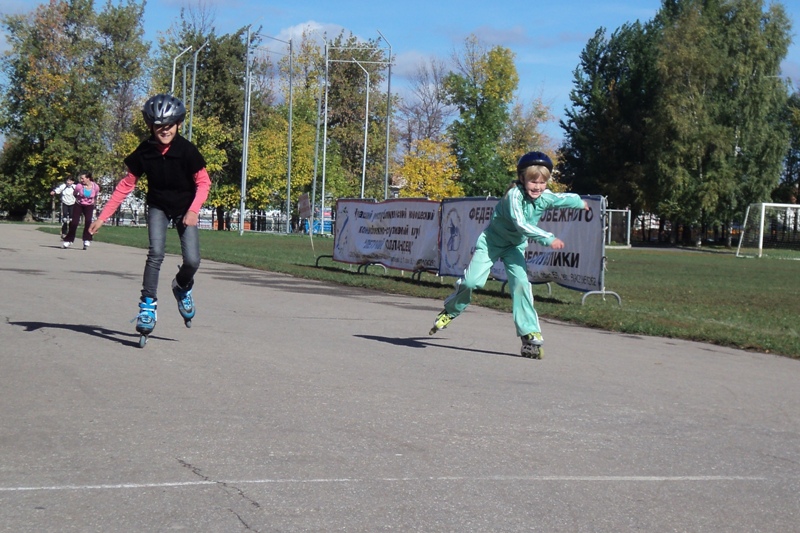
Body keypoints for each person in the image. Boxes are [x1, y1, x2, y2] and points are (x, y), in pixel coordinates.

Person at [429, 151, 589, 359]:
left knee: (521, 284)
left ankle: (529, 331)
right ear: (522, 178)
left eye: (542, 182)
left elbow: (562, 198)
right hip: (491, 243)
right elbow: (521, 224)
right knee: (471, 283)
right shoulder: (513, 196)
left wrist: (579, 203)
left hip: (515, 247)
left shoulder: (544, 196)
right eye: (533, 181)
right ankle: (451, 310)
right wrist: (548, 238)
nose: (537, 187)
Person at [88, 94, 211, 341]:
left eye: (169, 125)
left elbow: (203, 182)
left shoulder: (187, 150)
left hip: (186, 209)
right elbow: (125, 186)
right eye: (158, 126)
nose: (164, 130)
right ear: (150, 126)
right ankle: (147, 305)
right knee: (155, 253)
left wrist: (194, 209)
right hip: (158, 207)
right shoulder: (144, 152)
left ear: (178, 124)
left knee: (193, 261)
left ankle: (182, 286)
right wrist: (102, 217)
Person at [63, 172, 100, 249]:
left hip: (89, 205)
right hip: (79, 204)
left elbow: (95, 195)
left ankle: (87, 239)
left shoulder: (95, 187)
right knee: (74, 223)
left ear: (88, 178)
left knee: (88, 222)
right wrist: (80, 199)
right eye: (81, 178)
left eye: (83, 178)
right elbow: (75, 193)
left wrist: (92, 203)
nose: (81, 180)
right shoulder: (79, 186)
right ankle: (69, 240)